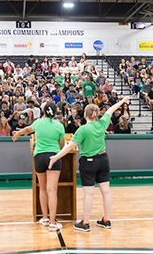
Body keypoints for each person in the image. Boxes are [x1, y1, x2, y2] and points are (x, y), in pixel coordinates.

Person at [48, 96, 131, 232]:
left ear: (85, 115)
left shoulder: (83, 130)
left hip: (89, 162)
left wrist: (55, 157)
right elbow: (111, 110)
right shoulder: (102, 123)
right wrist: (122, 101)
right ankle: (106, 220)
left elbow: (69, 147)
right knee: (106, 191)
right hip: (103, 159)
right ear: (96, 114)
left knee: (89, 194)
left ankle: (85, 223)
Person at [12, 102, 65, 231]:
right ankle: (53, 223)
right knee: (52, 189)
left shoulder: (38, 123)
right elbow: (62, 146)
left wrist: (18, 134)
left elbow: (28, 130)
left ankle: (45, 218)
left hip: (39, 157)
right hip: (53, 157)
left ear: (44, 111)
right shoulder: (59, 126)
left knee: (42, 188)